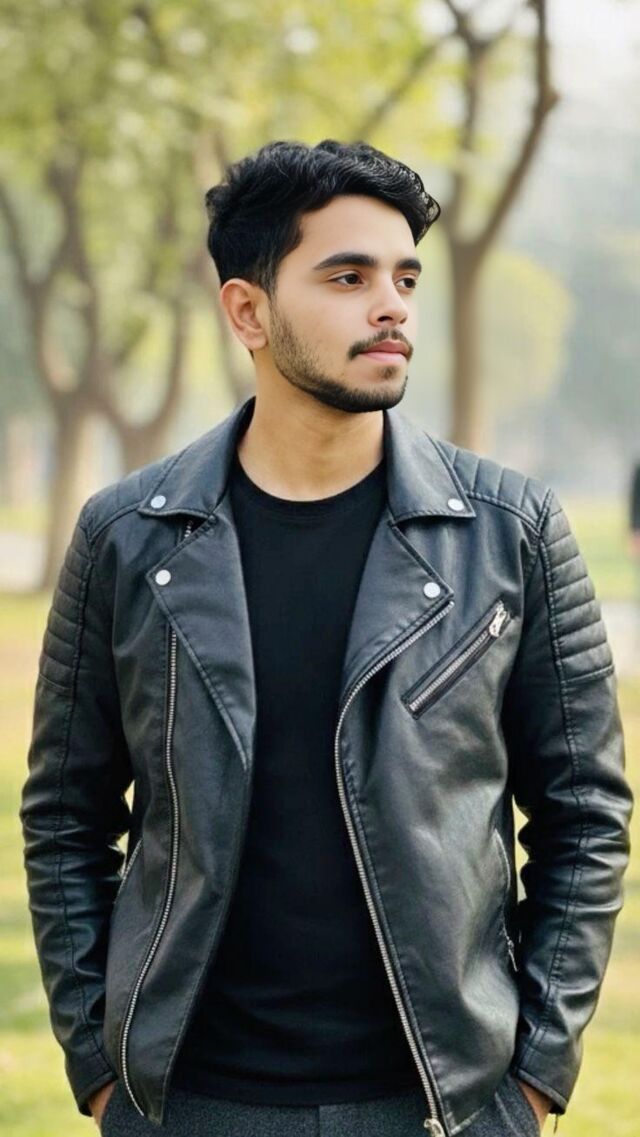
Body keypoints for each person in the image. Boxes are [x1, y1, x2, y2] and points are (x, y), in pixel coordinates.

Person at [20, 139, 633, 1137]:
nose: (391, 307)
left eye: (405, 279)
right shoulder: (127, 537)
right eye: (348, 278)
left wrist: (532, 1078)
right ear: (247, 311)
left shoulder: (510, 531)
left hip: (442, 1103)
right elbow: (64, 816)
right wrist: (100, 1066)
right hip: (191, 1103)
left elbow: (584, 812)